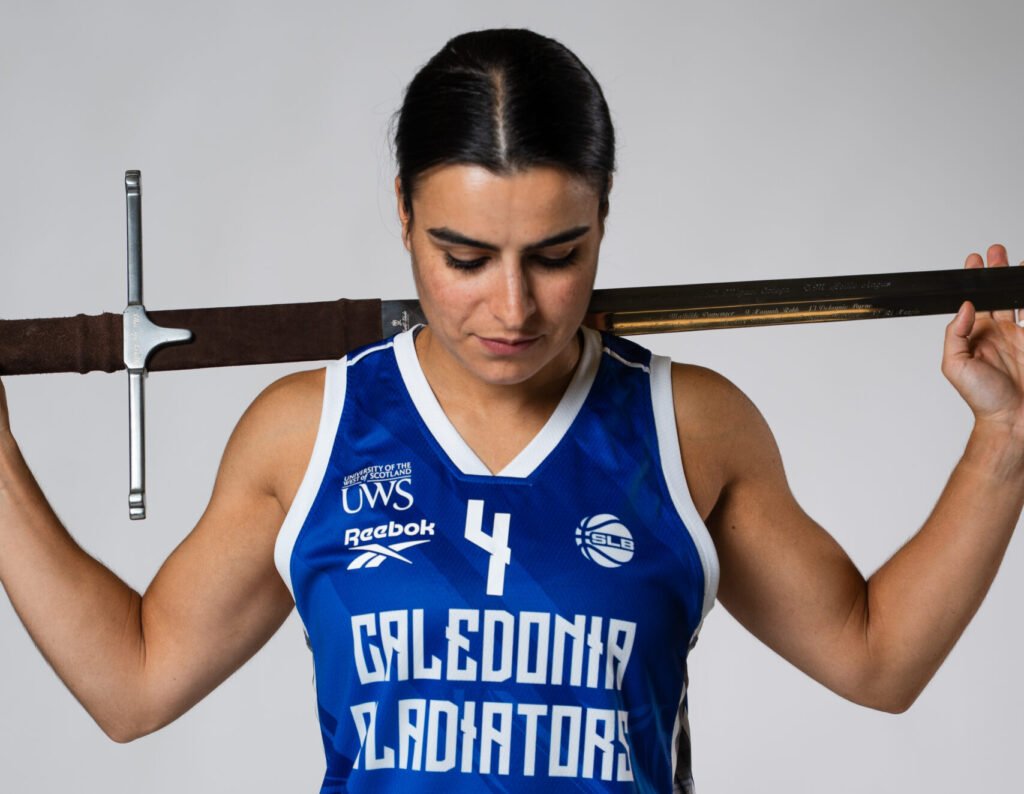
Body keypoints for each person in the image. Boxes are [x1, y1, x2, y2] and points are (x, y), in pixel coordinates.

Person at [1, 27, 1022, 794]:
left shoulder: (687, 427)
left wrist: (1005, 437)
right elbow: (132, 683)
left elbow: (877, 659)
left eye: (555, 255)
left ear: (602, 217)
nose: (513, 308)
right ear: (404, 214)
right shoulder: (309, 432)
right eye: (465, 257)